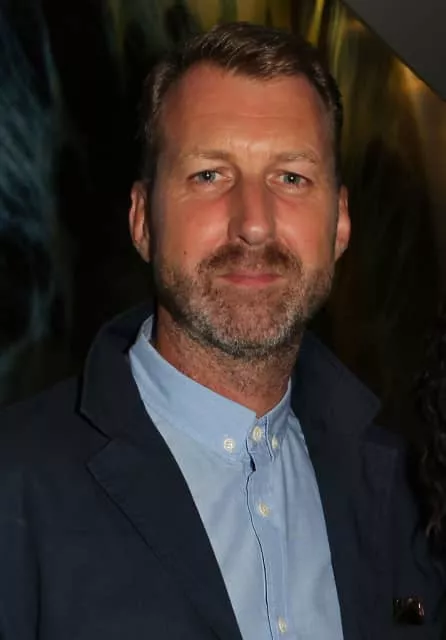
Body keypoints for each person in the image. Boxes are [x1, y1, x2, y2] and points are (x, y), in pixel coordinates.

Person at [0, 21, 444, 640]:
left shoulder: (407, 493)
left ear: (340, 223)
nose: (254, 224)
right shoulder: (16, 482)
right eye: (210, 175)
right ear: (142, 221)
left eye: (292, 177)